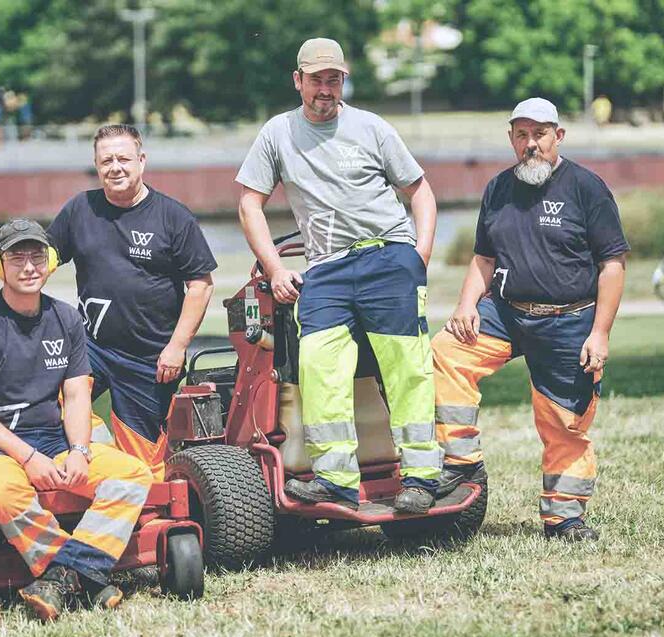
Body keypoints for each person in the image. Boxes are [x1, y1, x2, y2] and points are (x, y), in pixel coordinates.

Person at [236, 37, 441, 513]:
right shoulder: (277, 134)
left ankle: (423, 478)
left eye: (333, 80)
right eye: (315, 80)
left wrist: (419, 256)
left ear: (343, 80)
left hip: (387, 258)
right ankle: (335, 479)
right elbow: (249, 204)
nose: (324, 90)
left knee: (407, 368)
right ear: (297, 81)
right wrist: (274, 266)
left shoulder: (372, 128)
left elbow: (421, 193)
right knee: (317, 366)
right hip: (325, 267)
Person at [432, 98, 629, 541]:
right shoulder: (499, 189)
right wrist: (466, 304)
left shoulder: (586, 188)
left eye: (539, 134)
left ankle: (565, 519)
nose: (530, 144)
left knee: (565, 422)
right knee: (446, 351)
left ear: (558, 136)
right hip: (505, 313)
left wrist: (600, 333)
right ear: (511, 139)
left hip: (569, 320)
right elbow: (483, 257)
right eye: (521, 134)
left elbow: (613, 265)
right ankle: (461, 462)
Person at [0, 219, 154, 621]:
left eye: (37, 256)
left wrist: (78, 450)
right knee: (4, 494)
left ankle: (63, 577)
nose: (29, 266)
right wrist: (27, 458)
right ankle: (91, 576)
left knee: (134, 475)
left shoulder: (67, 319)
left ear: (52, 262)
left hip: (57, 439)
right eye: (17, 257)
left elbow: (77, 395)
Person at [48, 125, 217, 481]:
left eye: (123, 158)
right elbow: (40, 261)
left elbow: (200, 286)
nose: (115, 167)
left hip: (150, 359)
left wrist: (177, 347)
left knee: (144, 465)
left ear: (141, 161)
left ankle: (143, 518)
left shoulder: (173, 217)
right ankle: (79, 469)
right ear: (96, 166)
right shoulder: (80, 209)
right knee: (45, 403)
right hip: (90, 347)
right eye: (106, 160)